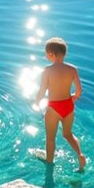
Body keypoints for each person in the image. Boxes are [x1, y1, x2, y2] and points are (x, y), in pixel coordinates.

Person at [34, 37, 87, 171]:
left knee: (50, 139)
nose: (46, 55)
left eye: (46, 53)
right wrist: (74, 97)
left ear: (51, 54)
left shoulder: (47, 70)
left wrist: (36, 102)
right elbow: (79, 90)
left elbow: (42, 90)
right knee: (68, 134)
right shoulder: (73, 69)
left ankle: (49, 163)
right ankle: (80, 154)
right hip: (68, 106)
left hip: (54, 108)